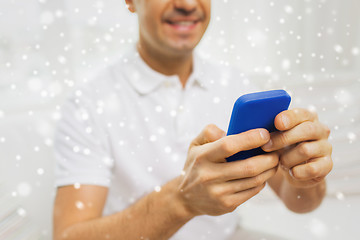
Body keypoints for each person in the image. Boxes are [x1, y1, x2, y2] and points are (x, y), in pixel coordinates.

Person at [53, 0, 333, 239]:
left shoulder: (235, 84)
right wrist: (181, 201)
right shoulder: (87, 105)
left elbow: (298, 202)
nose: (187, 4)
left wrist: (307, 175)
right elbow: (68, 235)